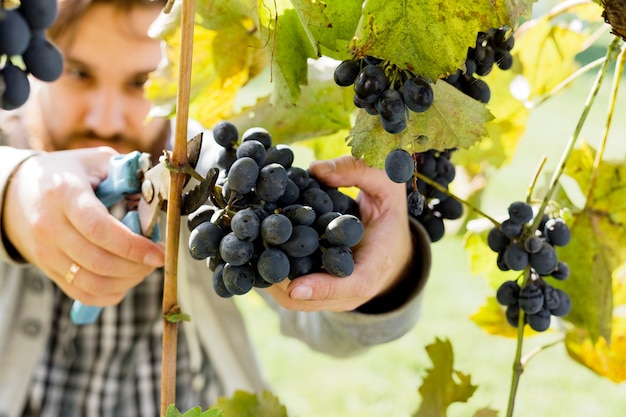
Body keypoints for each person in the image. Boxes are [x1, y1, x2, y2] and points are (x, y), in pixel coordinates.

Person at [0, 1, 432, 416]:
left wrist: (386, 276)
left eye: (141, 82)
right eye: (79, 73)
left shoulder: (220, 177)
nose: (107, 118)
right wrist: (13, 191)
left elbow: (336, 336)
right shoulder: (9, 147)